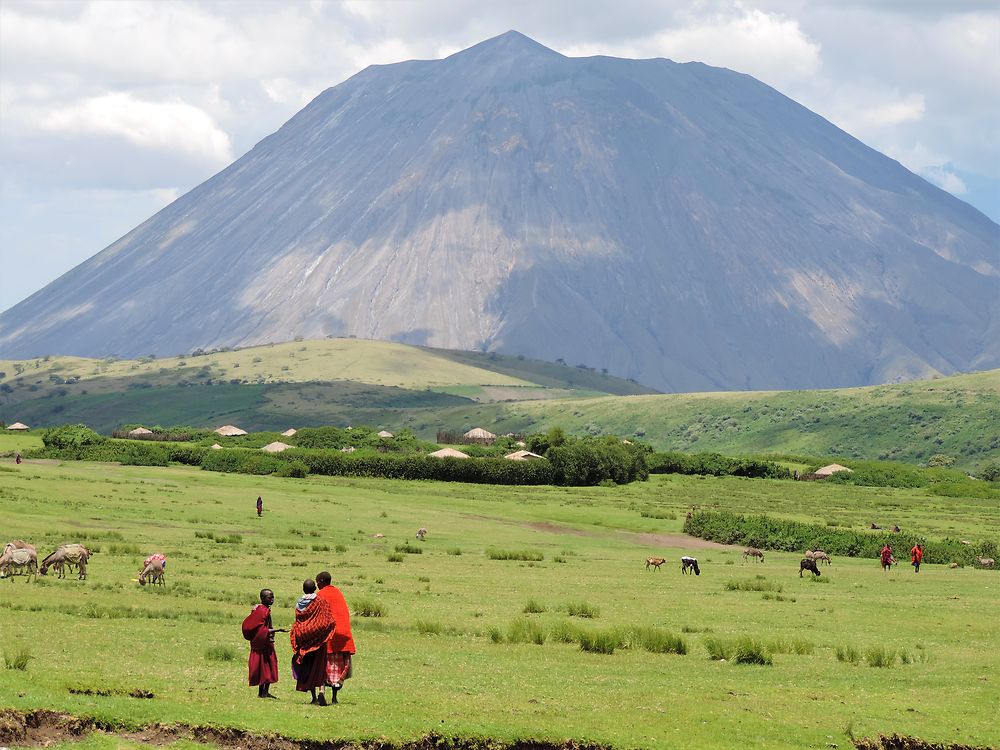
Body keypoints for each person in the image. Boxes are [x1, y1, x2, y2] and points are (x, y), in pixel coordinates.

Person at [290, 579, 336, 705]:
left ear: (303, 589)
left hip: (304, 638)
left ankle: (314, 697)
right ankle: (322, 690)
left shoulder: (299, 603)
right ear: (315, 588)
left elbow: (299, 620)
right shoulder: (320, 602)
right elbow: (328, 620)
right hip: (318, 640)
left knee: (308, 666)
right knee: (320, 666)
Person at [316, 571, 357, 704]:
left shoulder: (320, 595)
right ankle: (334, 698)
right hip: (342, 635)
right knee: (338, 668)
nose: (317, 585)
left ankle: (321, 691)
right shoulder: (338, 593)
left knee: (323, 664)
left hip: (328, 635)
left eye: (318, 583)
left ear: (322, 581)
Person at [243, 588, 282, 699]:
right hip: (263, 642)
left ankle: (265, 692)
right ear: (262, 598)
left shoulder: (263, 609)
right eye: (270, 597)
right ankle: (262, 692)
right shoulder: (261, 610)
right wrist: (276, 630)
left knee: (269, 666)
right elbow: (261, 629)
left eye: (273, 597)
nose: (272, 599)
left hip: (267, 641)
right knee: (264, 667)